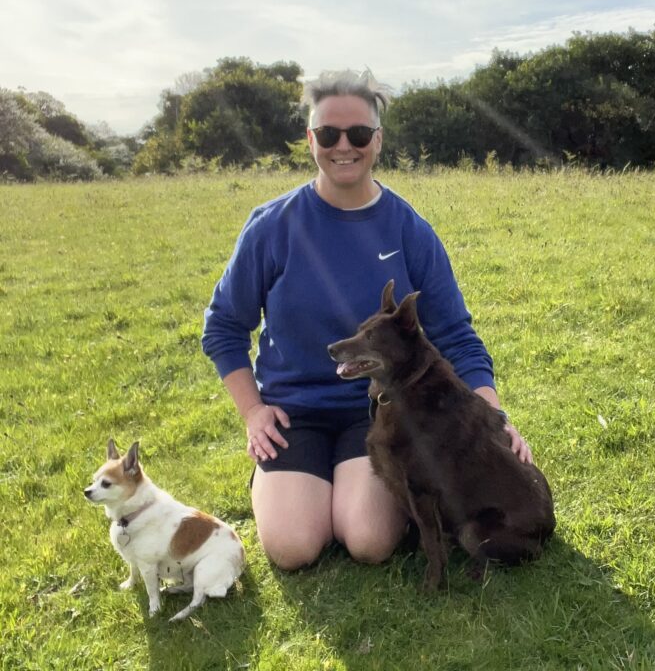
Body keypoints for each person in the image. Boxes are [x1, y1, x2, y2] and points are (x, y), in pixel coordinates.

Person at [202, 69, 533, 572]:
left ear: (377, 141)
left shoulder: (408, 229)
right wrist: (253, 412)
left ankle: (344, 490)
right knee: (294, 549)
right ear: (310, 139)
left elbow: (456, 335)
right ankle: (289, 484)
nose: (343, 146)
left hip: (384, 412)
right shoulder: (272, 227)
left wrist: (493, 418)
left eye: (358, 134)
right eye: (328, 134)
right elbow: (224, 326)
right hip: (296, 411)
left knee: (369, 541)